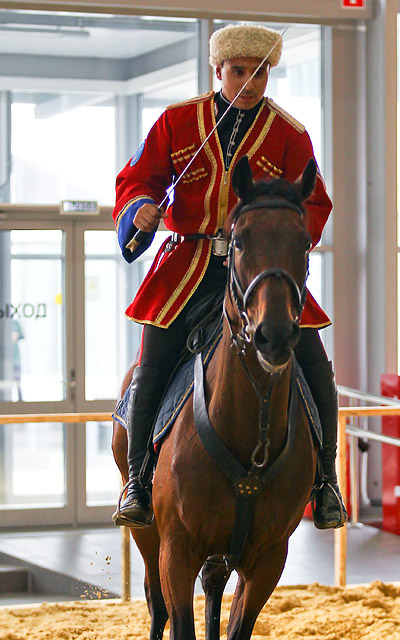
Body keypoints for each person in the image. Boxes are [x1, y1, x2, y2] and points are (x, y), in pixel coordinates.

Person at [112, 23, 346, 531]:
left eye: (260, 73)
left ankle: (326, 482)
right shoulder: (177, 122)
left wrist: (281, 238)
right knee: (152, 364)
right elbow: (136, 178)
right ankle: (136, 478)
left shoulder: (290, 134)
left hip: (261, 272)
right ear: (218, 70)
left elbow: (315, 201)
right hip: (187, 270)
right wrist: (142, 208)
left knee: (317, 369)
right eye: (239, 71)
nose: (250, 82)